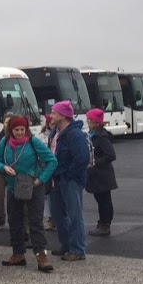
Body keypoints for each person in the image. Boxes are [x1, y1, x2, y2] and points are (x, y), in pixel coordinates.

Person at [0, 115, 58, 272]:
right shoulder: (4, 142)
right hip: (13, 186)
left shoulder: (33, 141)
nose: (19, 133)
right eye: (16, 130)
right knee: (15, 221)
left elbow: (52, 161)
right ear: (11, 130)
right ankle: (18, 254)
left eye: (22, 129)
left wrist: (41, 179)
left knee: (35, 221)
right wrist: (3, 167)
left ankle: (41, 256)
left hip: (33, 185)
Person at [47, 101, 90, 261]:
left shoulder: (75, 135)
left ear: (63, 115)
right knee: (58, 214)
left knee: (74, 214)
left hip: (69, 180)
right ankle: (66, 245)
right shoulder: (55, 132)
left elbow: (82, 158)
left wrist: (67, 175)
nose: (51, 116)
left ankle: (77, 249)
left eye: (54, 113)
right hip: (56, 178)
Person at [85, 108, 117, 237]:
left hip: (102, 175)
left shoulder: (101, 136)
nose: (87, 121)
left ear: (94, 121)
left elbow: (111, 155)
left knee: (104, 201)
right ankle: (102, 223)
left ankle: (105, 225)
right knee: (101, 200)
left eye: (89, 119)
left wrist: (95, 162)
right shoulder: (92, 134)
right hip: (97, 174)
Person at [39, 114, 57, 231]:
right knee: (47, 196)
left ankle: (57, 219)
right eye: (51, 123)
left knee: (56, 196)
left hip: (55, 169)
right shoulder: (41, 137)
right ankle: (51, 219)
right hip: (45, 169)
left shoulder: (58, 134)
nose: (53, 125)